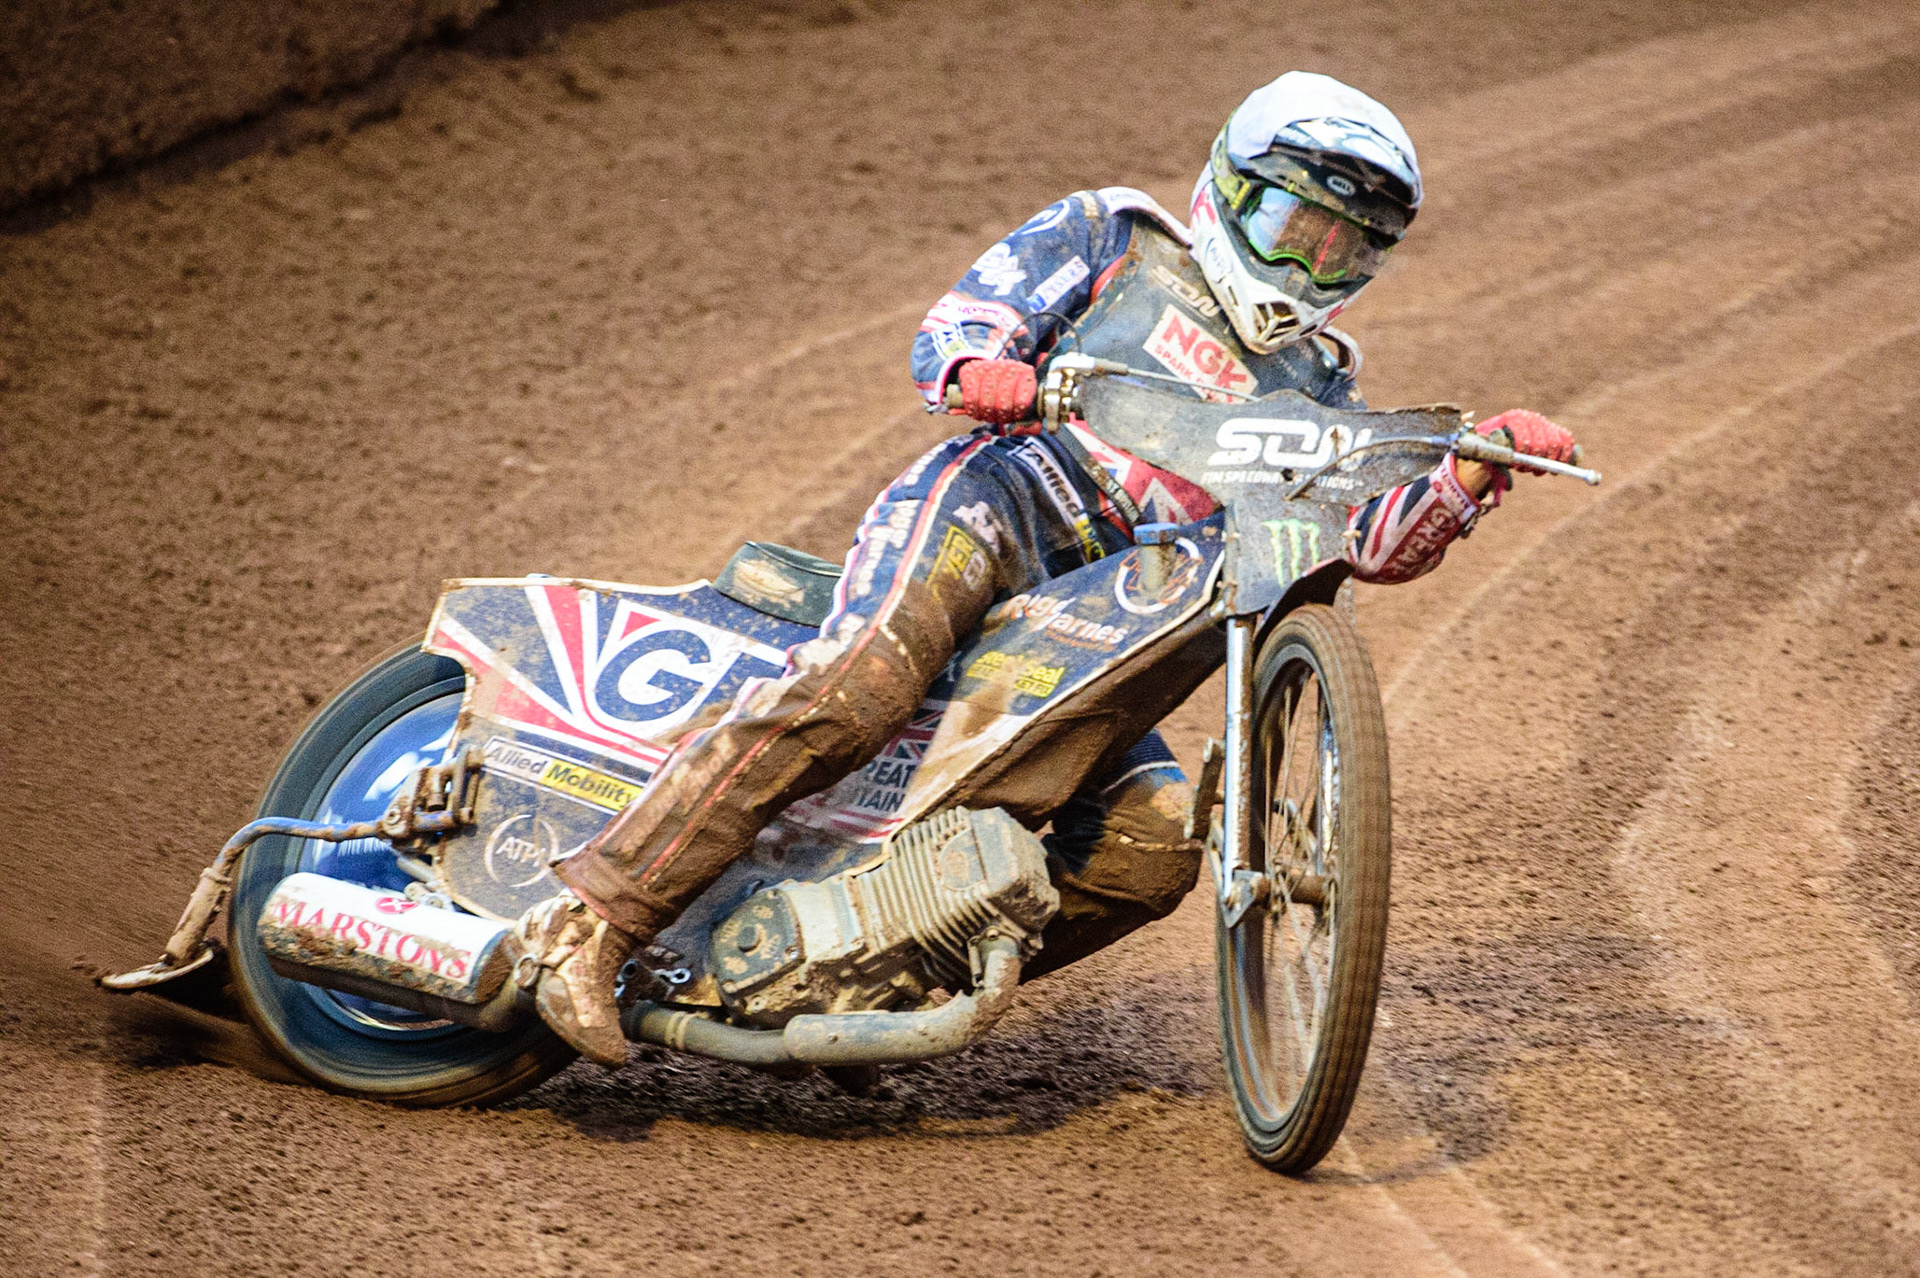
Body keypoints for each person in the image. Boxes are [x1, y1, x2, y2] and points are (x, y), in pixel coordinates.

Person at [518, 71, 1579, 1065]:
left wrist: (1468, 476)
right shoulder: (1116, 234)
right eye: (1291, 228)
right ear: (1228, 189)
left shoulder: (1322, 383)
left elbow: (1365, 541)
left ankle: (869, 976)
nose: (1308, 267)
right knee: (865, 688)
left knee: (1149, 848)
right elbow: (955, 328)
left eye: (1344, 251)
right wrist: (989, 371)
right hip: (998, 503)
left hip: (1107, 614)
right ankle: (594, 920)